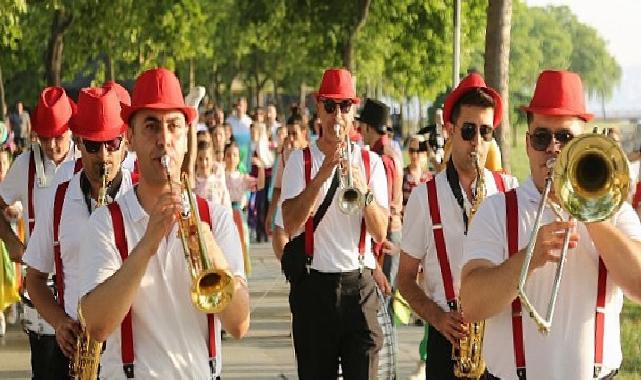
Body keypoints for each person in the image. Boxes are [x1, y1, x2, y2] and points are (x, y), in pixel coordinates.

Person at [459, 70, 641, 380]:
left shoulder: (615, 213)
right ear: (528, 144)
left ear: (583, 144)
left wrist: (589, 211)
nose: (553, 149)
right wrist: (529, 258)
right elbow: (472, 304)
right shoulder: (497, 209)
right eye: (542, 137)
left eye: (565, 138)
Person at [79, 68, 250, 379]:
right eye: (151, 126)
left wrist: (206, 240)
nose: (164, 140)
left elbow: (238, 324)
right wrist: (148, 242)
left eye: (173, 127)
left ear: (185, 137)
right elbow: (98, 325)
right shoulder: (106, 222)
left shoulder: (217, 219)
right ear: (129, 138)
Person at [397, 73, 518, 379]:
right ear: (449, 129)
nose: (477, 142)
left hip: (501, 338)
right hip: (448, 341)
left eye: (486, 132)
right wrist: (438, 318)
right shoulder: (425, 197)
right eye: (468, 130)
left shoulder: (508, 189)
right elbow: (405, 278)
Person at [281, 68, 390, 379]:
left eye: (344, 107)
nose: (337, 115)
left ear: (353, 111)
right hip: (315, 287)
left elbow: (380, 232)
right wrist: (322, 175)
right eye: (330, 106)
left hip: (359, 285)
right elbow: (289, 224)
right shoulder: (299, 162)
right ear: (319, 109)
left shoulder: (371, 163)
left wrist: (362, 188)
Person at [23, 86, 133, 377]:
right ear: (79, 144)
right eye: (93, 146)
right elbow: (34, 279)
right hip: (77, 351)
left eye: (112, 143)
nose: (104, 156)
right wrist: (59, 323)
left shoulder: (140, 195)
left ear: (125, 143)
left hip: (132, 350)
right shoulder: (59, 198)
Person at [0, 87, 79, 379]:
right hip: (42, 300)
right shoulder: (25, 164)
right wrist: (12, 242)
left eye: (59, 136)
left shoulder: (88, 159)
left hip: (82, 296)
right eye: (45, 137)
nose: (52, 144)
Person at [267, 115, 308, 259]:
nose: (290, 138)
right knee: (280, 236)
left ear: (304, 133)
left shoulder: (314, 154)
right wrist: (270, 213)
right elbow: (278, 188)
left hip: (309, 208)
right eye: (288, 134)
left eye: (294, 134)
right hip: (289, 206)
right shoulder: (285, 155)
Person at [225, 141, 265, 275]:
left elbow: (259, 185)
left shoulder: (242, 177)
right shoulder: (220, 176)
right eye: (229, 155)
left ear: (239, 158)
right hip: (224, 213)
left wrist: (261, 168)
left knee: (242, 244)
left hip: (239, 214)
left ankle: (239, 274)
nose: (232, 158)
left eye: (235, 155)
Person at [194, 140, 231, 209]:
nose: (204, 163)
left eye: (207, 159)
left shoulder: (219, 183)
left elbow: (227, 208)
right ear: (196, 160)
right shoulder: (193, 185)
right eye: (200, 159)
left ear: (212, 159)